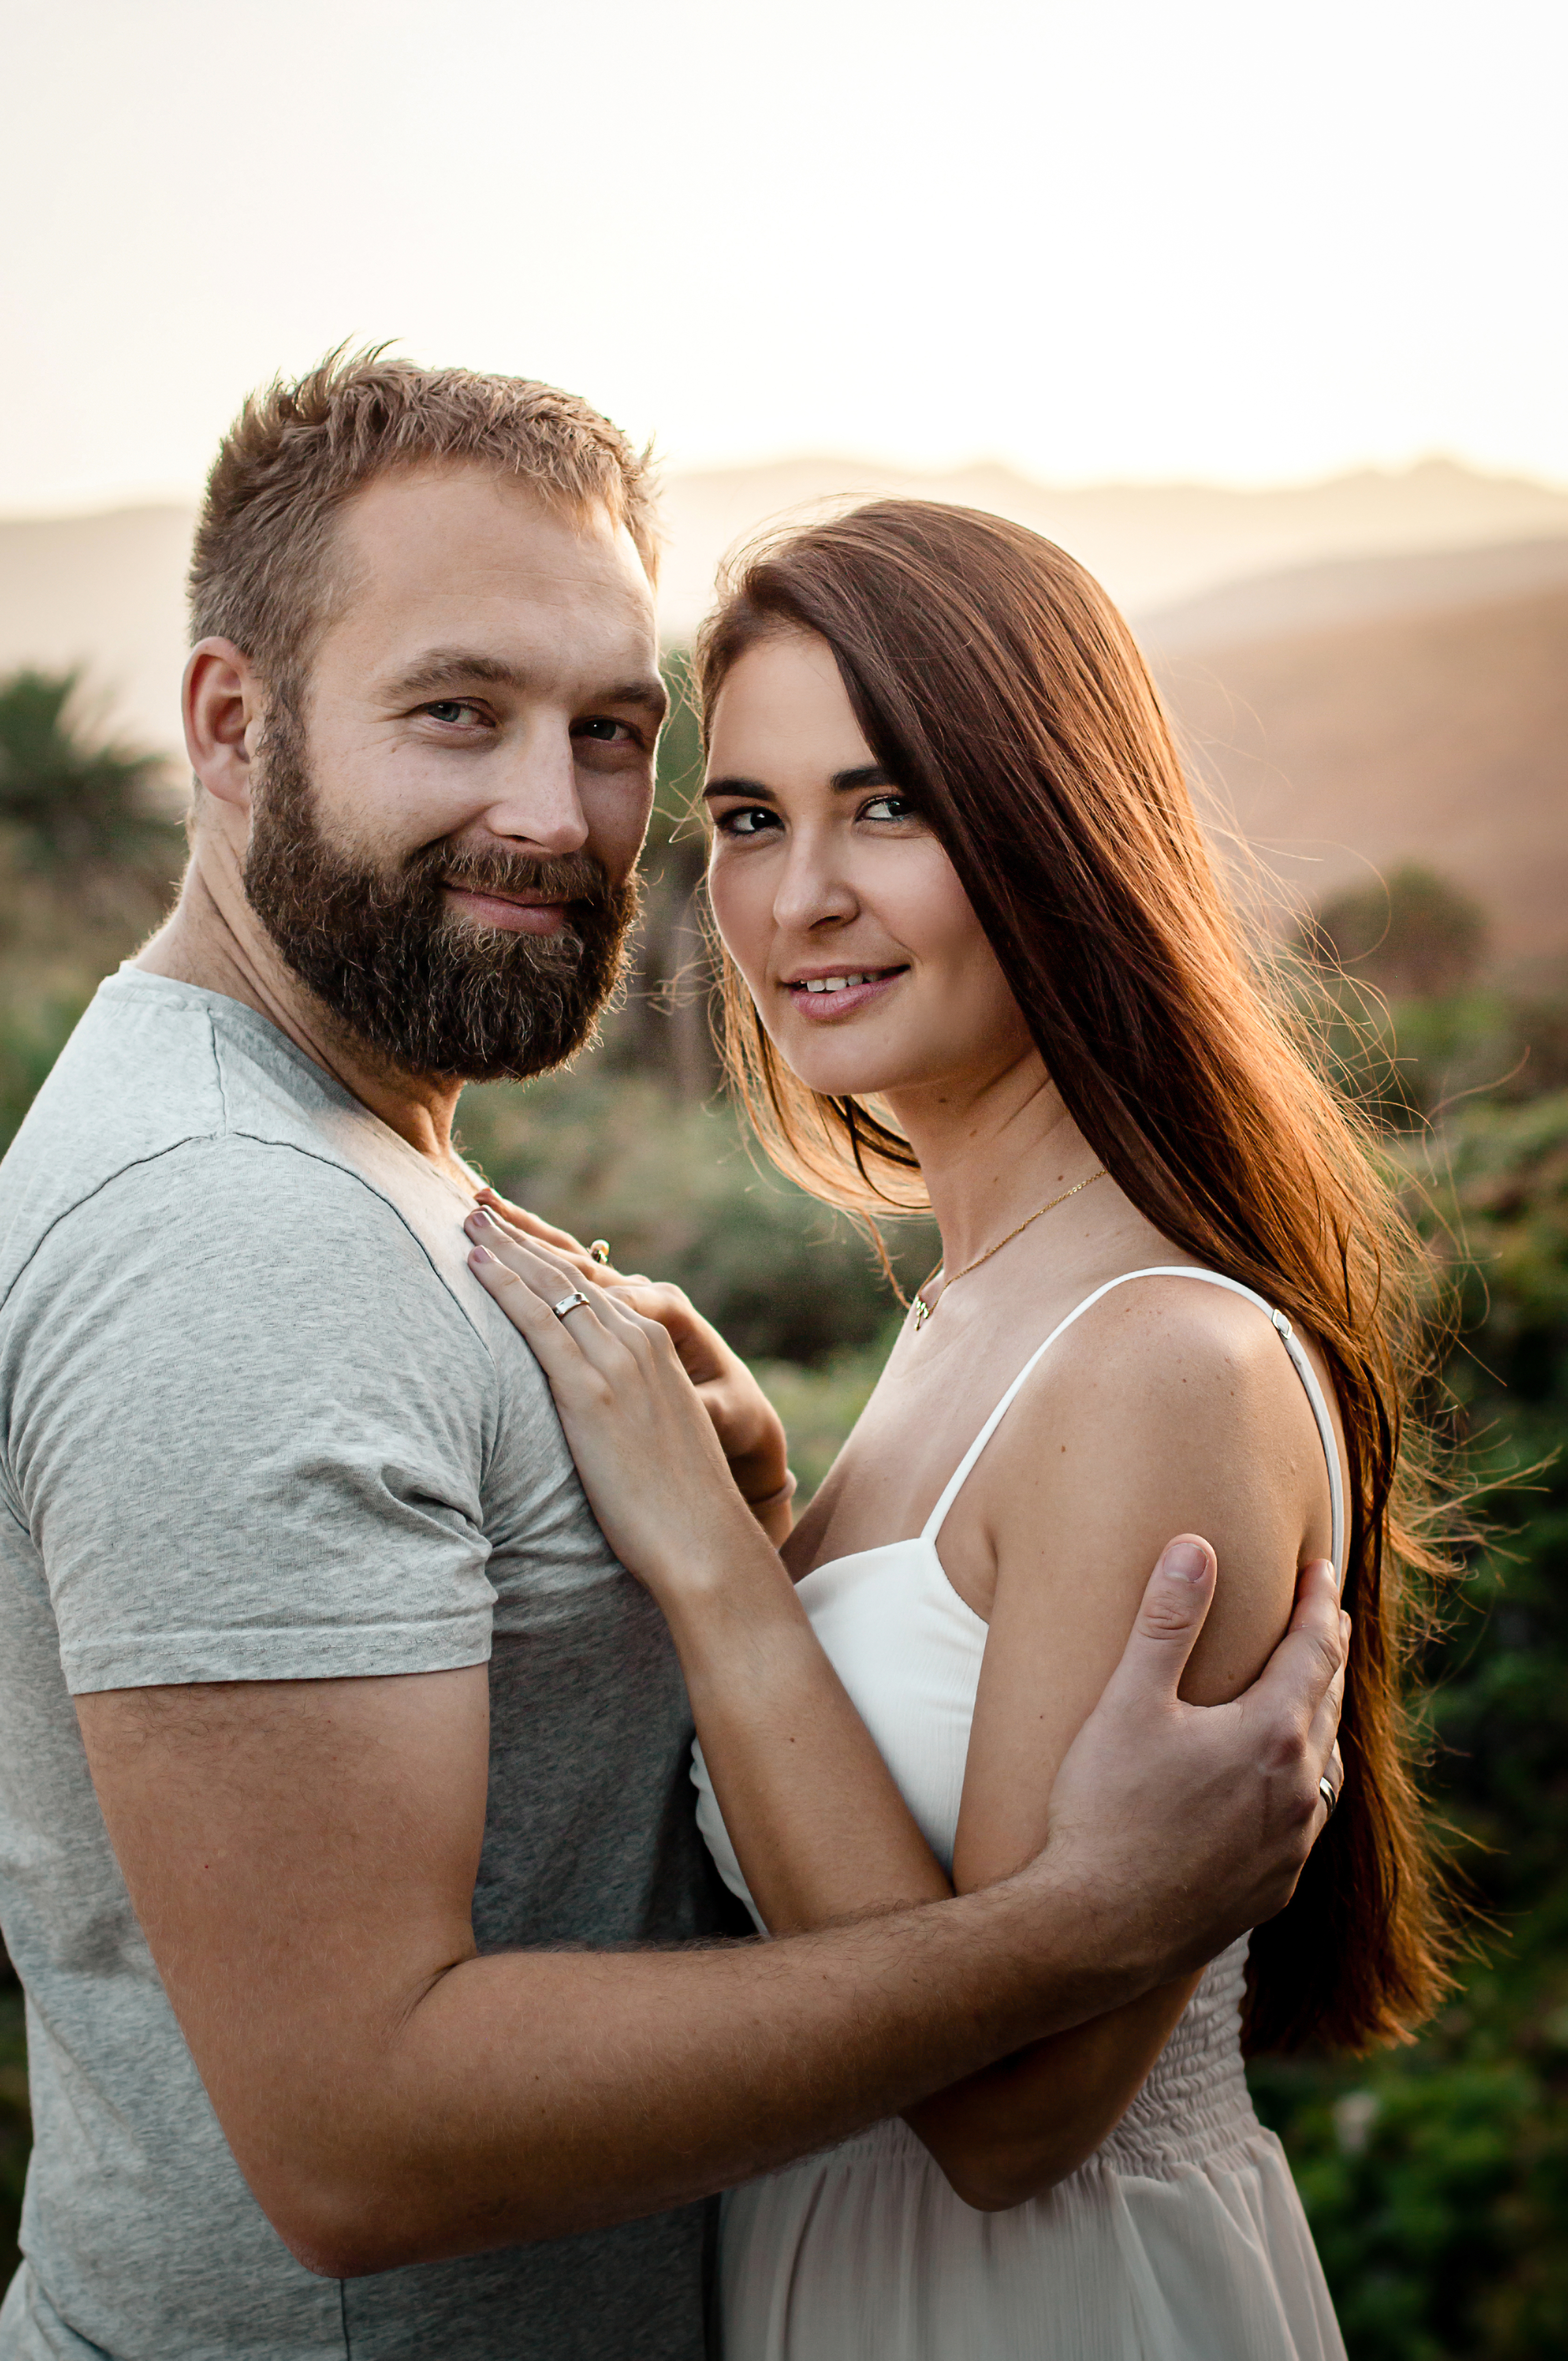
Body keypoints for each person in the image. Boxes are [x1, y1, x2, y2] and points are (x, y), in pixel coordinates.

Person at [0, 357, 1344, 2361]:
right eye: (456, 708)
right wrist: (1070, 1918)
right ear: (230, 722)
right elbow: (357, 2132)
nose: (553, 813)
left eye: (615, 733)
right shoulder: (237, 1223)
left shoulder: (1069, 1330)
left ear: (1060, 826)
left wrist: (737, 1560)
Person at [462, 500, 1454, 2359]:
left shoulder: (1152, 1355)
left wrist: (706, 1567)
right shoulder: (970, 1313)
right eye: (748, 817)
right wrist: (768, 1521)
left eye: (886, 803)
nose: (796, 894)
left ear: (1052, 823)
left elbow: (1008, 2120)